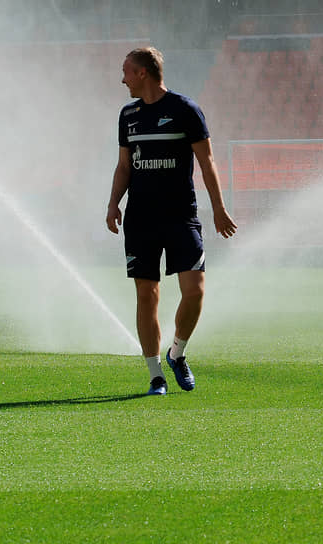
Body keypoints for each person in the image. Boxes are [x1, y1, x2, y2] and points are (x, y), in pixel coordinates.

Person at [106, 47, 237, 396]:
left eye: (126, 72)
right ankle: (155, 377)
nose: (122, 79)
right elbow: (124, 166)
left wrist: (219, 209)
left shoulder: (185, 109)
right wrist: (113, 203)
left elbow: (207, 163)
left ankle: (177, 353)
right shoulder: (128, 115)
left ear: (143, 73)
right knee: (146, 295)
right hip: (141, 219)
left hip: (181, 216)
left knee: (195, 291)